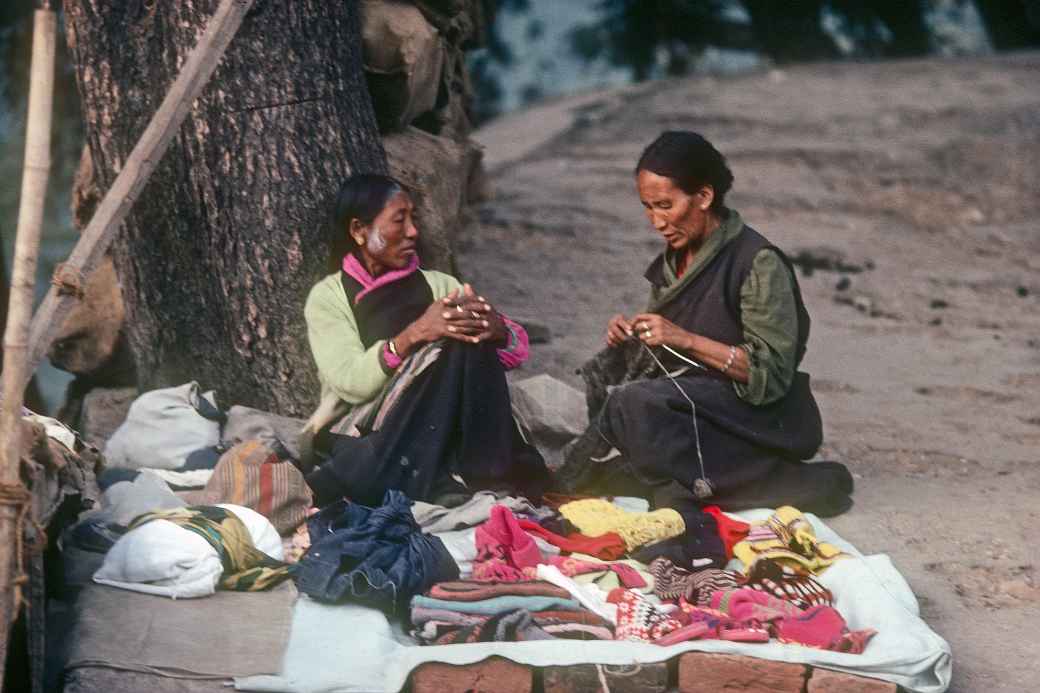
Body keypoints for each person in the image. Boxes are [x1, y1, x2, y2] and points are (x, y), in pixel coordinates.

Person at [559, 131, 852, 516]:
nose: (656, 221)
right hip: (699, 400)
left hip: (758, 414)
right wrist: (633, 334)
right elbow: (669, 345)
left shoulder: (758, 263)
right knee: (618, 390)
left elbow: (772, 374)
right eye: (647, 207)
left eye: (665, 205)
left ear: (704, 197)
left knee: (632, 406)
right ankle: (703, 479)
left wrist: (685, 339)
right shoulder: (678, 256)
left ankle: (787, 481)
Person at [300, 174, 548, 508]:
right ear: (359, 230)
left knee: (465, 339)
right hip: (370, 431)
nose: (413, 232)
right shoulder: (329, 297)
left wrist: (497, 330)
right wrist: (415, 335)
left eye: (413, 219)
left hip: (441, 433)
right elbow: (351, 383)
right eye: (399, 221)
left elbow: (508, 355)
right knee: (450, 339)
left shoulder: (439, 285)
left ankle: (476, 473)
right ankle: (484, 475)